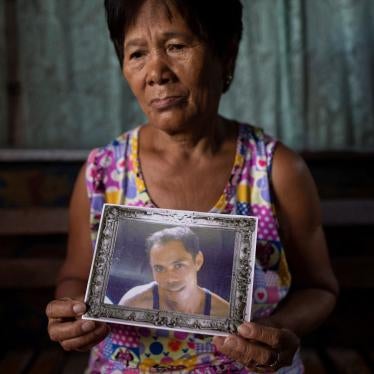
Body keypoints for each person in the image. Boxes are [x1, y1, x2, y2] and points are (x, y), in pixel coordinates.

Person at [45, 0, 339, 372]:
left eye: (176, 47)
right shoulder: (102, 173)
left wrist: (281, 329)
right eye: (137, 53)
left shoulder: (275, 170)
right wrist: (71, 312)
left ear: (225, 54)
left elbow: (320, 287)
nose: (156, 72)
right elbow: (74, 276)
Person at [118, 226, 230, 317]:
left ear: (198, 261)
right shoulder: (132, 304)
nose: (169, 279)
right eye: (159, 268)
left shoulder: (224, 313)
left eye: (178, 265)